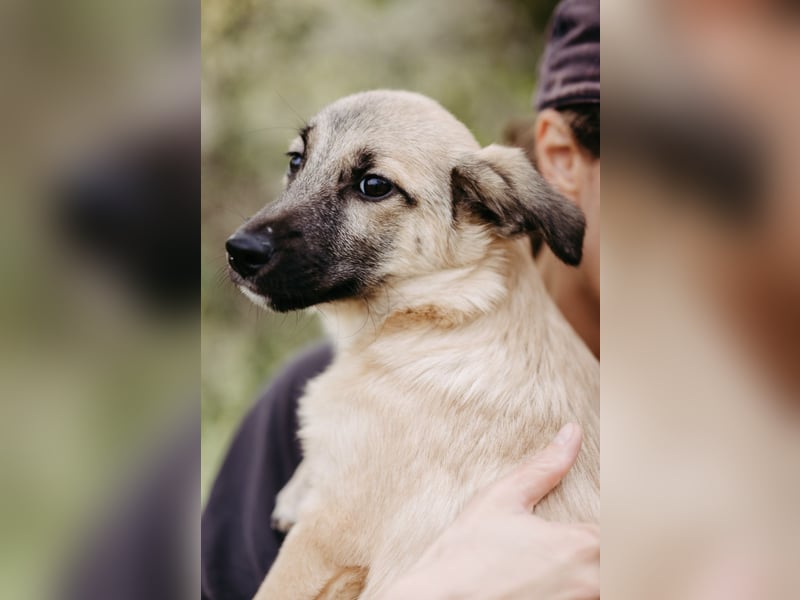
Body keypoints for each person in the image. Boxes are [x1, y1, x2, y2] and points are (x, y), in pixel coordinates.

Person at [201, 1, 600, 598]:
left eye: (371, 186)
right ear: (564, 158)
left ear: (484, 212)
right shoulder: (305, 405)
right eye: (298, 162)